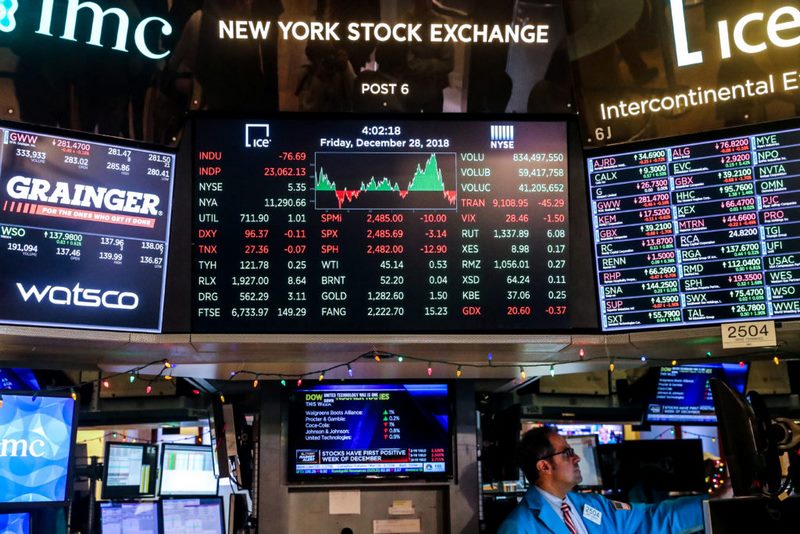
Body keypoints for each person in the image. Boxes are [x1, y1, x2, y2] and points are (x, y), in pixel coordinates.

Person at [498, 427, 705, 533]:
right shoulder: (518, 527)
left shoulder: (594, 506)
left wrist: (713, 503)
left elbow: (654, 518)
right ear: (544, 466)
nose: (577, 457)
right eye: (567, 453)